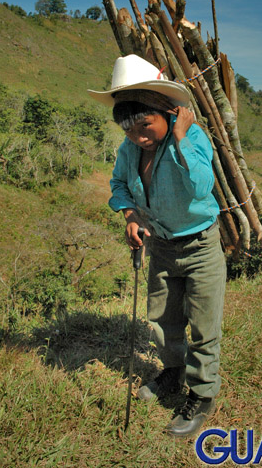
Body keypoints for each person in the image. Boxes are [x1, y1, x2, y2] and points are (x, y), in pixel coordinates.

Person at [88, 54, 226, 438]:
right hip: (162, 247)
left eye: (145, 126)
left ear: (168, 112)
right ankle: (173, 373)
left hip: (200, 246)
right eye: (129, 131)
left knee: (203, 325)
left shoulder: (193, 139)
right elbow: (118, 186)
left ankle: (201, 395)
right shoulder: (129, 152)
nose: (139, 138)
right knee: (164, 319)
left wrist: (181, 137)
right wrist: (131, 216)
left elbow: (201, 186)